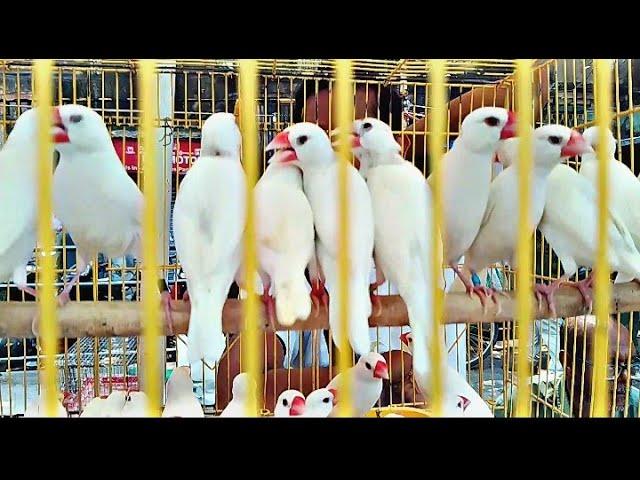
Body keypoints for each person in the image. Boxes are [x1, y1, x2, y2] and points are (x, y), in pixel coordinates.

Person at [560, 315, 639, 417]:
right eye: (610, 365)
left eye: (630, 364)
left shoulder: (636, 407)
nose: (626, 377)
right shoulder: (537, 401)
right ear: (568, 364)